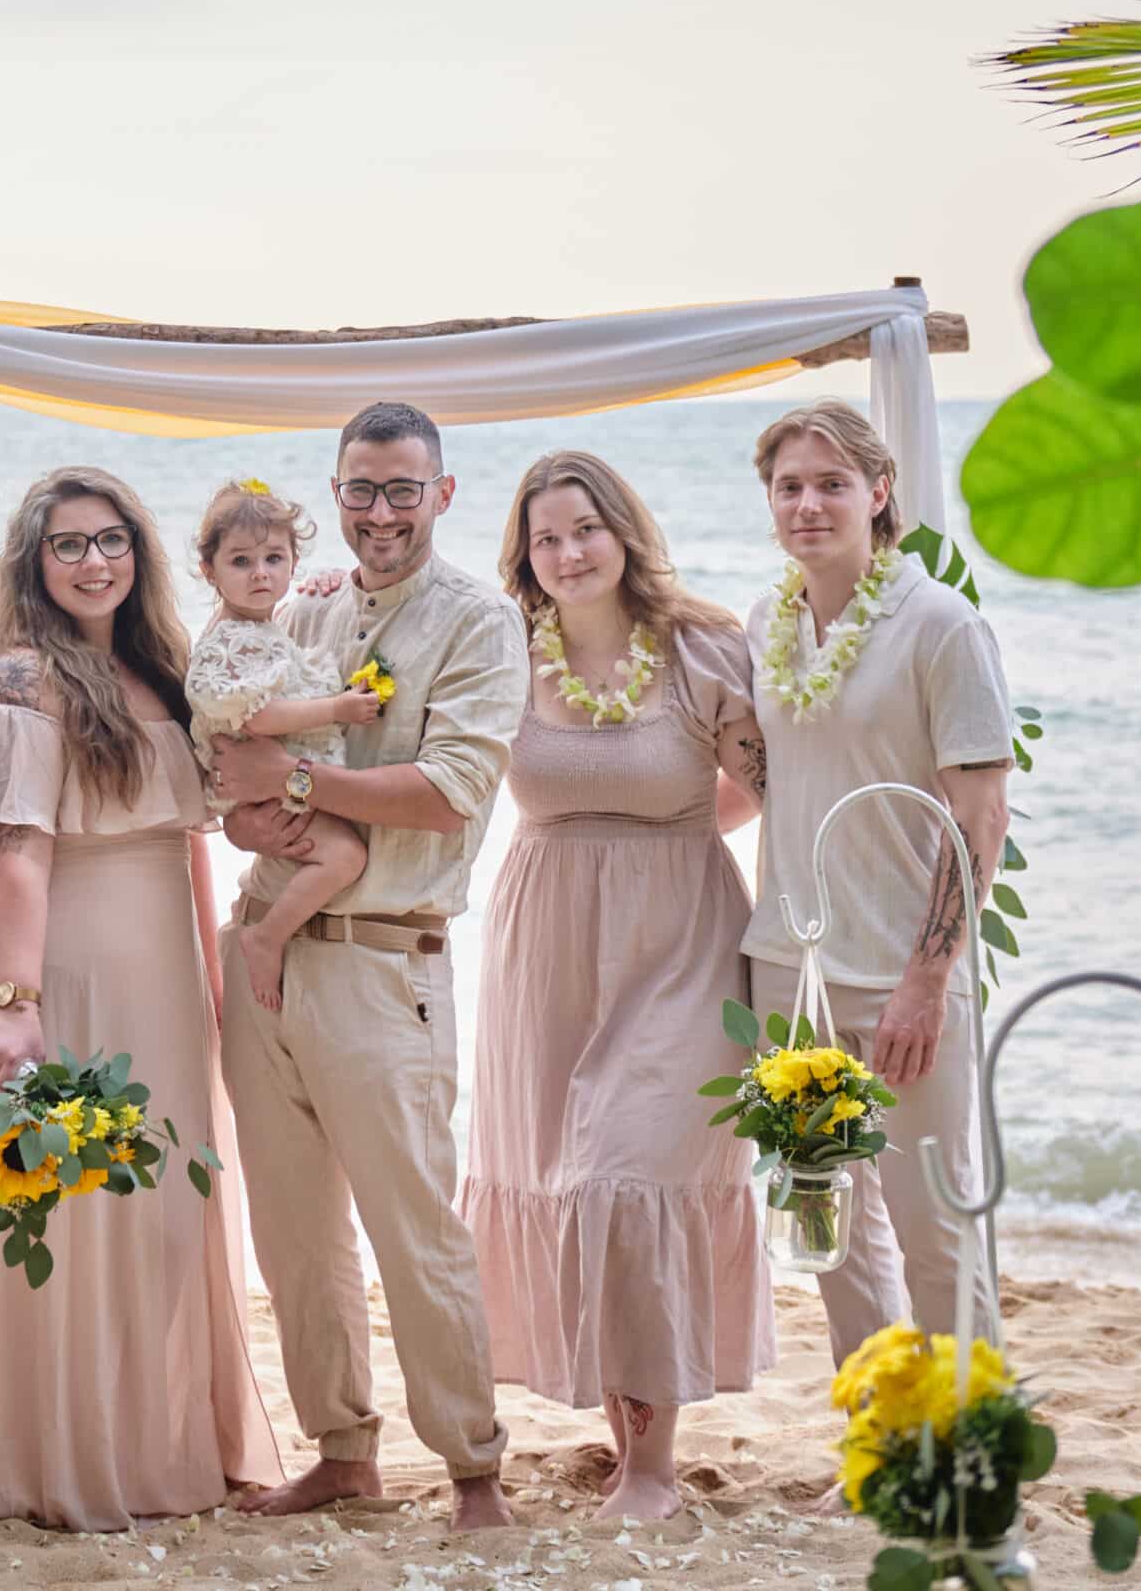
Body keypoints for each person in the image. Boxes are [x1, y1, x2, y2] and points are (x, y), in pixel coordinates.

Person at [0, 466, 281, 1530]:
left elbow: (188, 838)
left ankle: (153, 1438)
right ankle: (45, 1461)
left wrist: (210, 975)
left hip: (157, 959)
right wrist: (16, 1001)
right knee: (60, 1202)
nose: (92, 561)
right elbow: (16, 854)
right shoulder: (24, 679)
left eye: (109, 538)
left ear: (139, 551)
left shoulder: (162, 669)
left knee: (163, 1204)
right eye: (66, 545)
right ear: (33, 563)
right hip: (55, 957)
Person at [211, 401, 526, 1534]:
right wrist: (247, 810)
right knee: (292, 1227)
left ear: (442, 493)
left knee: (413, 1225)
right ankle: (342, 1450)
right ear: (334, 492)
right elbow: (227, 757)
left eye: (401, 488)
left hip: (387, 960)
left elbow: (445, 795)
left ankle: (474, 1466)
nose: (380, 510)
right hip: (265, 950)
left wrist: (290, 787)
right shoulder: (299, 606)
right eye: (360, 488)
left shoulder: (481, 623)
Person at [459, 451, 776, 1522]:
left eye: (584, 528)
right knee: (572, 1182)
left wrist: (669, 833)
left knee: (623, 1172)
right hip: (546, 938)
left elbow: (768, 781)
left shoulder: (700, 648)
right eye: (545, 538)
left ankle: (651, 1468)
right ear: (526, 559)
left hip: (682, 937)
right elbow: (393, 695)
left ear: (624, 533)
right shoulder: (504, 650)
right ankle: (623, 1443)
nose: (567, 551)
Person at [740, 400, 1012, 1367]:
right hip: (789, 972)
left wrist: (926, 983)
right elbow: (758, 782)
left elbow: (979, 817)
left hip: (903, 977)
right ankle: (884, 1434)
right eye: (789, 487)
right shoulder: (765, 626)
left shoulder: (941, 624)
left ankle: (967, 1449)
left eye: (831, 484)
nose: (808, 505)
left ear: (879, 492)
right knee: (826, 1223)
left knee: (934, 1228)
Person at [186, 477, 382, 1010]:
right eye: (242, 561)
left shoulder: (265, 627)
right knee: (345, 856)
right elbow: (258, 717)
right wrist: (338, 708)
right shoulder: (229, 641)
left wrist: (335, 585)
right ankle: (266, 937)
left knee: (340, 852)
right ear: (210, 570)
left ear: (294, 565)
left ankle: (274, 933)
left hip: (275, 780)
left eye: (274, 559)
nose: (261, 574)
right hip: (260, 788)